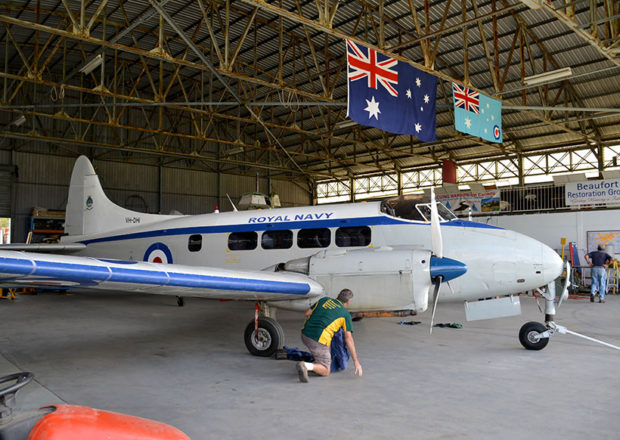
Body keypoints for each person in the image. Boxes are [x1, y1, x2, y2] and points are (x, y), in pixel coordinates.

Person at [296, 289, 362, 382]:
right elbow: (349, 339)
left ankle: (317, 362)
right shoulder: (345, 314)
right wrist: (356, 361)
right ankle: (306, 366)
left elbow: (307, 313)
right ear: (348, 301)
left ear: (338, 295)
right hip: (318, 341)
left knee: (321, 353)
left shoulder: (324, 300)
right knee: (326, 370)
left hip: (305, 334)